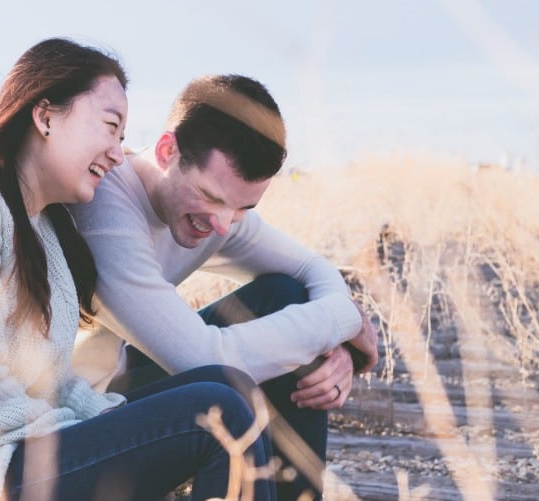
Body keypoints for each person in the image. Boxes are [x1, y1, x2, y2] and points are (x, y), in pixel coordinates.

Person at [0, 39, 276, 501]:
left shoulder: (42, 227)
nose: (118, 153)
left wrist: (104, 420)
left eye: (123, 138)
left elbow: (50, 380)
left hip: (24, 456)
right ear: (45, 117)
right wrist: (85, 431)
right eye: (109, 127)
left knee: (227, 384)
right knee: (217, 410)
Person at [68, 74, 379, 500]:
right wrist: (342, 320)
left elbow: (311, 268)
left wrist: (336, 345)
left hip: (116, 384)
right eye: (210, 197)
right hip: (71, 424)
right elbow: (203, 357)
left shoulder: (221, 214)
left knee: (285, 295)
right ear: (166, 151)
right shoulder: (104, 206)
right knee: (233, 387)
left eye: (243, 207)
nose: (222, 224)